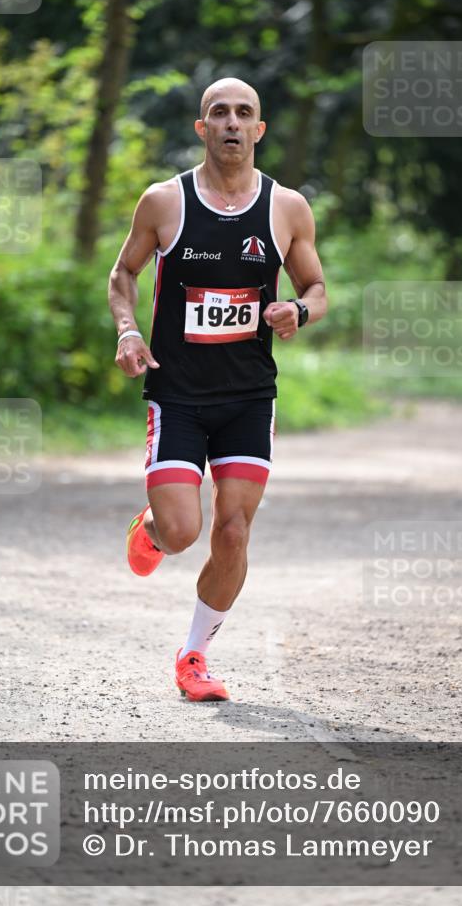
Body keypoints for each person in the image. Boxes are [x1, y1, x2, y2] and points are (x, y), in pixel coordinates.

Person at [108, 77, 327, 701]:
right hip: (175, 393)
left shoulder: (287, 208)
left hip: (249, 398)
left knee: (232, 533)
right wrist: (127, 331)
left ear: (259, 130)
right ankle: (152, 527)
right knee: (182, 533)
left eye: (244, 114)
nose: (231, 123)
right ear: (202, 129)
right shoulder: (164, 202)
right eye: (218, 113)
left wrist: (299, 313)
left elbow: (316, 289)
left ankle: (195, 655)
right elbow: (123, 272)